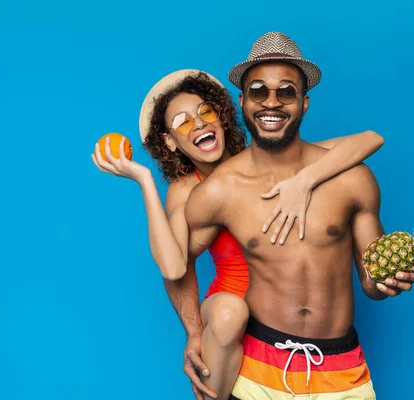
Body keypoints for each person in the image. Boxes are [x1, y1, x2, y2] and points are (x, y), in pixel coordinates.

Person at [91, 68, 386, 399]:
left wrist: (306, 179)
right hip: (232, 314)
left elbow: (369, 139)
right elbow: (175, 267)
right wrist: (144, 180)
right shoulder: (188, 191)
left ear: (223, 117)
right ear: (170, 142)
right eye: (183, 123)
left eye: (205, 112)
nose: (199, 124)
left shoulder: (265, 154)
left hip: (283, 327)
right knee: (232, 314)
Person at [184, 32, 414, 400]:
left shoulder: (353, 179)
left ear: (304, 103)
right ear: (242, 101)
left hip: (341, 371)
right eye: (258, 91)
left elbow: (370, 283)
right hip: (257, 370)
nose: (272, 103)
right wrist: (193, 333)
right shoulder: (221, 189)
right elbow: (177, 263)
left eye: (286, 92)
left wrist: (387, 282)